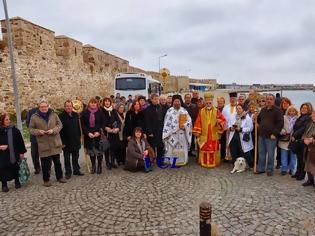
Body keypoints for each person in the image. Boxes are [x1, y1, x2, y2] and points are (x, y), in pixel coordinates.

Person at [29, 100, 67, 186]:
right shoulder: (34, 117)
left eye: (45, 107)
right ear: (39, 108)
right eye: (42, 107)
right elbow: (31, 129)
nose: (44, 108)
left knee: (57, 162)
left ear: (48, 107)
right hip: (43, 143)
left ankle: (60, 177)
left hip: (54, 142)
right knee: (45, 163)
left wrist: (53, 130)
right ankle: (46, 180)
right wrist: (39, 131)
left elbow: (60, 125)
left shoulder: (54, 114)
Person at [193, 92, 226, 168]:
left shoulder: (217, 110)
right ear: (205, 102)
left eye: (210, 102)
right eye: (207, 102)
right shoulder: (201, 111)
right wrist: (198, 134)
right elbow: (198, 122)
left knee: (213, 149)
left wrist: (219, 122)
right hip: (204, 135)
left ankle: (215, 162)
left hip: (213, 134)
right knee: (204, 148)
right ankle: (203, 162)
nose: (208, 103)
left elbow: (223, 120)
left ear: (212, 102)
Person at [256, 94, 284, 176]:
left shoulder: (278, 110)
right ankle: (261, 168)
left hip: (271, 136)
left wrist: (275, 133)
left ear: (273, 100)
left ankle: (269, 169)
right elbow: (259, 120)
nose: (268, 100)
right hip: (262, 135)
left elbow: (280, 123)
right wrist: (256, 117)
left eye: (270, 99)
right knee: (261, 153)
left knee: (271, 154)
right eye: (267, 99)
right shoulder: (263, 110)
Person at [163, 95, 192, 166]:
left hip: (182, 133)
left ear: (180, 102)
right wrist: (167, 133)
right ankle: (172, 161)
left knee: (182, 147)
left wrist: (184, 126)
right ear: (173, 102)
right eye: (175, 101)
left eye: (178, 101)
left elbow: (189, 121)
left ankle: (183, 161)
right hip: (172, 134)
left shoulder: (184, 111)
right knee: (172, 147)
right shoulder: (169, 111)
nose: (177, 103)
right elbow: (166, 123)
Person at [0, 113, 26, 192]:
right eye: (6, 119)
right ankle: (4, 185)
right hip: (2, 155)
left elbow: (20, 142)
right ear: (2, 121)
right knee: (2, 169)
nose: (8, 121)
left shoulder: (15, 130)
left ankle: (17, 181)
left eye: (9, 119)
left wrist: (22, 152)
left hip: (14, 153)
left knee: (15, 167)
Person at [59, 100, 84, 179]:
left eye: (70, 106)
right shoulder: (60, 116)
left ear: (72, 106)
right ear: (64, 107)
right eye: (67, 106)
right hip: (66, 141)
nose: (68, 107)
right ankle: (68, 172)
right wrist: (61, 142)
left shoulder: (76, 115)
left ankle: (76, 170)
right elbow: (59, 131)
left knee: (75, 157)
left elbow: (78, 127)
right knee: (67, 158)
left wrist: (80, 137)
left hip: (76, 140)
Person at [81, 98, 105, 174]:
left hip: (98, 135)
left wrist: (98, 131)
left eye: (95, 103)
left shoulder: (100, 112)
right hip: (89, 135)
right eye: (92, 103)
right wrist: (88, 133)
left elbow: (103, 123)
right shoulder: (85, 112)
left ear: (97, 104)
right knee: (91, 151)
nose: (93, 104)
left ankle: (99, 166)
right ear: (89, 104)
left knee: (99, 151)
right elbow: (83, 124)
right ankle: (94, 165)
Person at [291, 103, 313, 180]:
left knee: (302, 158)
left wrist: (294, 135)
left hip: (302, 139)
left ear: (309, 109)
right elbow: (296, 127)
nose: (303, 109)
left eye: (305, 108)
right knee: (298, 157)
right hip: (298, 140)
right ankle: (298, 172)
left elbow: (303, 128)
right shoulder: (301, 117)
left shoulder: (308, 118)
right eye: (302, 108)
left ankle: (302, 174)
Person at [101, 97, 121, 171]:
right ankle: (107, 162)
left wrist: (118, 128)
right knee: (107, 148)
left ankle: (112, 161)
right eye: (105, 101)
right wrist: (105, 128)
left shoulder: (114, 111)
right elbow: (100, 122)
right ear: (104, 103)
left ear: (110, 102)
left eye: (108, 101)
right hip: (106, 133)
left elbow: (118, 121)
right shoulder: (101, 111)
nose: (107, 102)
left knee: (113, 148)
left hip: (114, 132)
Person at [278, 106, 298, 175]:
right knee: (284, 155)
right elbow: (280, 126)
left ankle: (291, 169)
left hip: (294, 139)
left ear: (296, 111)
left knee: (293, 155)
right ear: (288, 111)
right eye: (290, 111)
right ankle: (284, 169)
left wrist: (295, 135)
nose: (292, 112)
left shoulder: (298, 118)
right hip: (285, 138)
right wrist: (283, 131)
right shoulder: (284, 117)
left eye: (293, 111)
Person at [144, 94, 164, 161]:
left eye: (157, 99)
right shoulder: (147, 109)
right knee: (152, 146)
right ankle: (152, 159)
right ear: (151, 99)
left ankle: (160, 160)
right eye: (154, 99)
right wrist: (149, 132)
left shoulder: (160, 107)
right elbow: (147, 122)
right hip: (152, 131)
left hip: (160, 130)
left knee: (160, 146)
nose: (156, 100)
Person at [26, 104, 41, 174]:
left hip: (45, 137)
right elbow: (28, 124)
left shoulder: (48, 111)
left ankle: (47, 167)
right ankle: (37, 167)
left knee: (46, 153)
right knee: (34, 154)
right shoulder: (31, 112)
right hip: (34, 137)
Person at [302, 111, 315, 187]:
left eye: (314, 116)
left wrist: (312, 140)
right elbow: (305, 133)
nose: (313, 117)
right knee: (307, 165)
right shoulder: (310, 124)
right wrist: (304, 139)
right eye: (312, 116)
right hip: (308, 148)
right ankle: (310, 180)